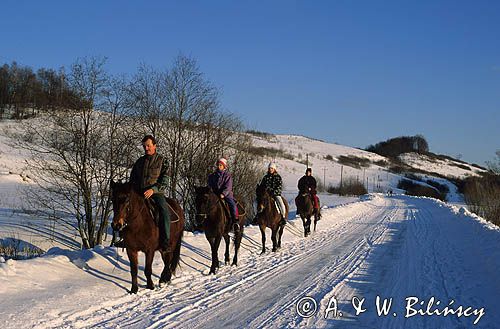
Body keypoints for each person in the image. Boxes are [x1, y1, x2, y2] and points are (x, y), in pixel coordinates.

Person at [117, 134, 170, 251]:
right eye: (144, 146)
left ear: (154, 146)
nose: (146, 148)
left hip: (156, 193)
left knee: (163, 210)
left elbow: (165, 180)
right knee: (124, 207)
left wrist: (153, 190)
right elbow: (132, 180)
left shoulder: (163, 161)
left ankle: (165, 240)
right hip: (139, 193)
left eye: (148, 146)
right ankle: (123, 238)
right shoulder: (139, 162)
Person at [208, 158, 239, 232]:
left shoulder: (227, 176)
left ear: (224, 166)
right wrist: (210, 191)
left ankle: (235, 222)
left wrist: (223, 194)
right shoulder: (213, 175)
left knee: (232, 205)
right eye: (218, 165)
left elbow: (228, 187)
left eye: (221, 165)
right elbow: (210, 184)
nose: (219, 166)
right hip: (215, 194)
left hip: (226, 195)